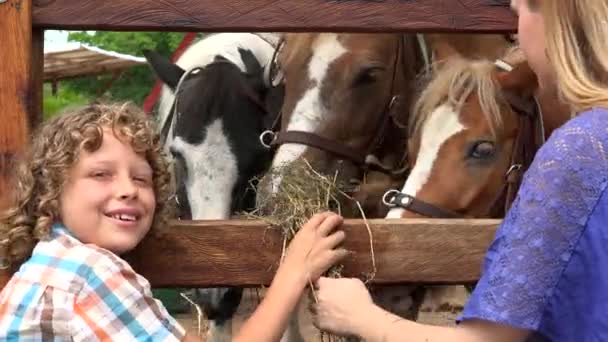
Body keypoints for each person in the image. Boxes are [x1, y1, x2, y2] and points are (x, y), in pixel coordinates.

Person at [311, 0, 608, 341]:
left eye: (522, 7)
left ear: (559, 24)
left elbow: (487, 341)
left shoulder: (580, 148)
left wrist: (360, 317)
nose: (512, 28)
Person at [0, 102, 348, 341]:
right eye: (101, 174)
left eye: (141, 178)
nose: (127, 190)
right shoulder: (89, 272)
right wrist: (293, 271)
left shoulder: (46, 266)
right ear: (52, 190)